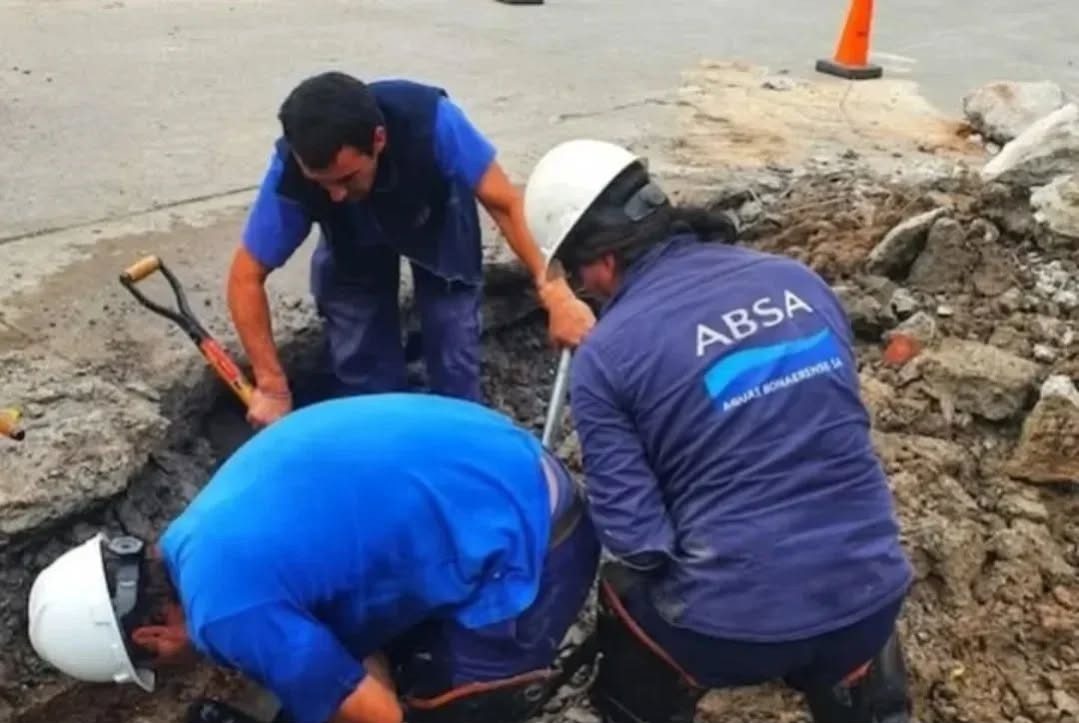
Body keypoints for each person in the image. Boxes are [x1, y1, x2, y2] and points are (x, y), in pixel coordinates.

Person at [522, 139, 915, 723]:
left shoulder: (606, 355)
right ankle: (875, 708)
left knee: (623, 586)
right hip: (872, 604)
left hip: (729, 635)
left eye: (578, 280)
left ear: (601, 263)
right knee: (841, 555)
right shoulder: (798, 282)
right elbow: (831, 423)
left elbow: (638, 543)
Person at [26, 394, 600, 723]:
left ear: (149, 636)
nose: (170, 670)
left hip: (528, 539)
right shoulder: (195, 537)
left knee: (447, 711)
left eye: (152, 665)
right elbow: (349, 639)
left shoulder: (227, 612)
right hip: (498, 466)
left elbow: (382, 719)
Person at [229, 72, 594, 426]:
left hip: (433, 213)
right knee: (362, 358)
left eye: (346, 178)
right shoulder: (291, 172)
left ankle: (455, 433)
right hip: (350, 236)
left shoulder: (431, 123)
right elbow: (245, 277)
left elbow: (507, 205)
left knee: (453, 339)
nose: (336, 194)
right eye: (321, 183)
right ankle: (384, 433)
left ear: (378, 140)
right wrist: (272, 386)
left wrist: (556, 293)